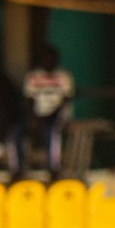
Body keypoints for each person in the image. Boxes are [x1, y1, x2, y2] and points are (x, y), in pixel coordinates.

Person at [21, 45, 74, 175]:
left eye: (52, 59)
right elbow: (29, 100)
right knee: (16, 131)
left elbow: (66, 100)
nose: (49, 61)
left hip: (58, 114)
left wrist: (49, 114)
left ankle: (53, 168)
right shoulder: (33, 77)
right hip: (37, 114)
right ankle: (18, 171)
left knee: (53, 131)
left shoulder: (64, 77)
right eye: (46, 58)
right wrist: (35, 117)